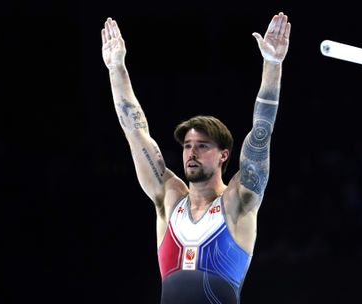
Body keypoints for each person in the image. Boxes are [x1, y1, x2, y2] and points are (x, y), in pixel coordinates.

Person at [101, 12, 290, 304]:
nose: (191, 152)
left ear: (223, 155)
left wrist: (273, 64)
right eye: (188, 145)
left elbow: (262, 129)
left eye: (203, 145)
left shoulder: (237, 202)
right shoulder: (169, 198)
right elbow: (135, 133)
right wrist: (116, 69)